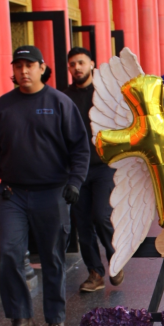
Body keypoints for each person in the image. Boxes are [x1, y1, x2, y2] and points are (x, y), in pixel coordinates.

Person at [0, 45, 89, 326]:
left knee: (52, 258)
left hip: (53, 194)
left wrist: (75, 182)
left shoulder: (59, 103)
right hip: (13, 195)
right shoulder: (3, 107)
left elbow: (80, 148)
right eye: (18, 66)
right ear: (13, 70)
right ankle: (21, 319)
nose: (23, 71)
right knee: (9, 253)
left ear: (42, 67)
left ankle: (55, 318)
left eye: (29, 65)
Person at [64, 46, 123, 292]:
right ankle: (95, 273)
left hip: (103, 166)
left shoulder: (104, 93)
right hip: (76, 170)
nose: (76, 68)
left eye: (81, 63)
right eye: (72, 64)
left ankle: (115, 259)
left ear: (91, 64)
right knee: (83, 223)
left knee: (101, 215)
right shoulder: (64, 97)